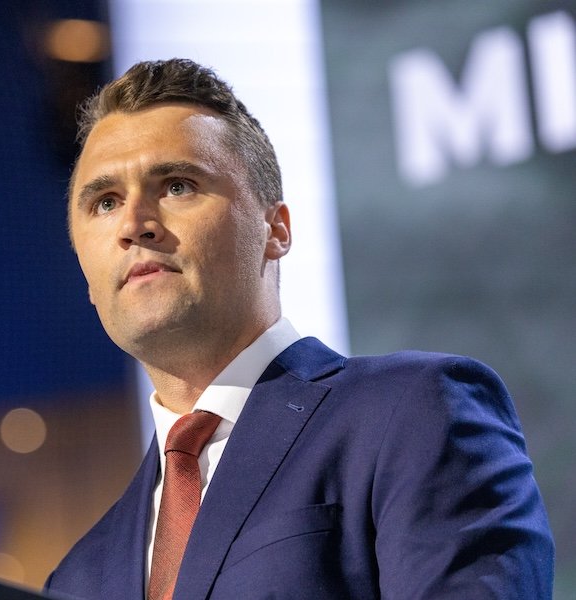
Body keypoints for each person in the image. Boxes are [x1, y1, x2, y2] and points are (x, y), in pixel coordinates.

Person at [45, 58, 554, 599]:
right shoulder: (76, 580)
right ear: (85, 272)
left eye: (176, 186)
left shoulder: (415, 413)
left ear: (275, 228)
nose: (133, 225)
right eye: (105, 202)